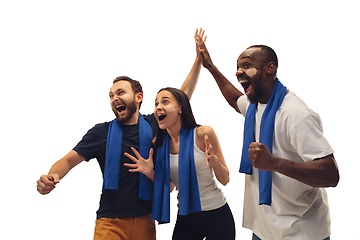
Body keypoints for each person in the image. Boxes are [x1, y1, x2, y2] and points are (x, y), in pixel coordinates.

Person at [36, 29, 207, 240]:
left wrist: (199, 62)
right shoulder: (101, 132)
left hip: (145, 221)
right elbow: (68, 161)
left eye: (120, 93)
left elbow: (182, 97)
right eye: (111, 95)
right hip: (110, 223)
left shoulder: (154, 124)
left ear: (138, 97)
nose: (114, 98)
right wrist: (52, 176)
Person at [195, 37, 339, 240]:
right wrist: (210, 67)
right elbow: (236, 100)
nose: (238, 72)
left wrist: (273, 163)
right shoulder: (255, 106)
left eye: (246, 65)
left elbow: (330, 173)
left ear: (270, 68)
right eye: (237, 67)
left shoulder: (295, 114)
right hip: (264, 230)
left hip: (301, 232)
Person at [125, 87, 236, 240]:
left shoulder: (203, 134)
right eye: (156, 103)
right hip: (186, 216)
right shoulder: (159, 144)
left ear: (180, 108)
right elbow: (170, 187)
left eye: (165, 102)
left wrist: (215, 162)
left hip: (217, 214)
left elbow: (225, 179)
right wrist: (150, 172)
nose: (158, 107)